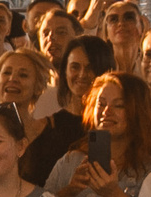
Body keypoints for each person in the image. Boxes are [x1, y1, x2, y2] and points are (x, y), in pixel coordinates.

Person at [26, 34, 111, 183]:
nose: (82, 74)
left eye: (90, 67)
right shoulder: (49, 127)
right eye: (75, 67)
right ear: (65, 72)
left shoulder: (113, 125)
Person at [0, 47, 53, 158]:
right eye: (6, 73)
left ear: (37, 86)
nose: (12, 79)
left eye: (23, 75)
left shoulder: (50, 133)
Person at [99, 0, 145, 73]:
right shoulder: (100, 68)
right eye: (113, 19)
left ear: (142, 27)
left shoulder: (149, 66)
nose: (121, 23)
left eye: (129, 18)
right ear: (106, 33)